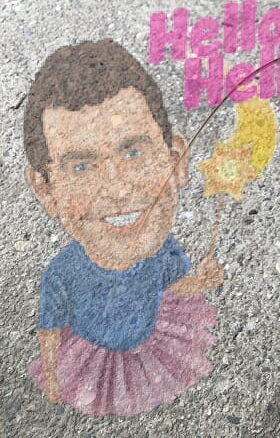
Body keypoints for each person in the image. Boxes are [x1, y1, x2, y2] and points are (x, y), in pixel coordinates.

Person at [23, 38, 223, 417]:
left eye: (134, 152)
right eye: (81, 166)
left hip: (151, 342)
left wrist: (202, 281)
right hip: (90, 358)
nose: (116, 188)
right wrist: (52, 377)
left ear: (176, 161)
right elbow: (49, 330)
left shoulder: (165, 249)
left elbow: (175, 284)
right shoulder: (61, 274)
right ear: (45, 190)